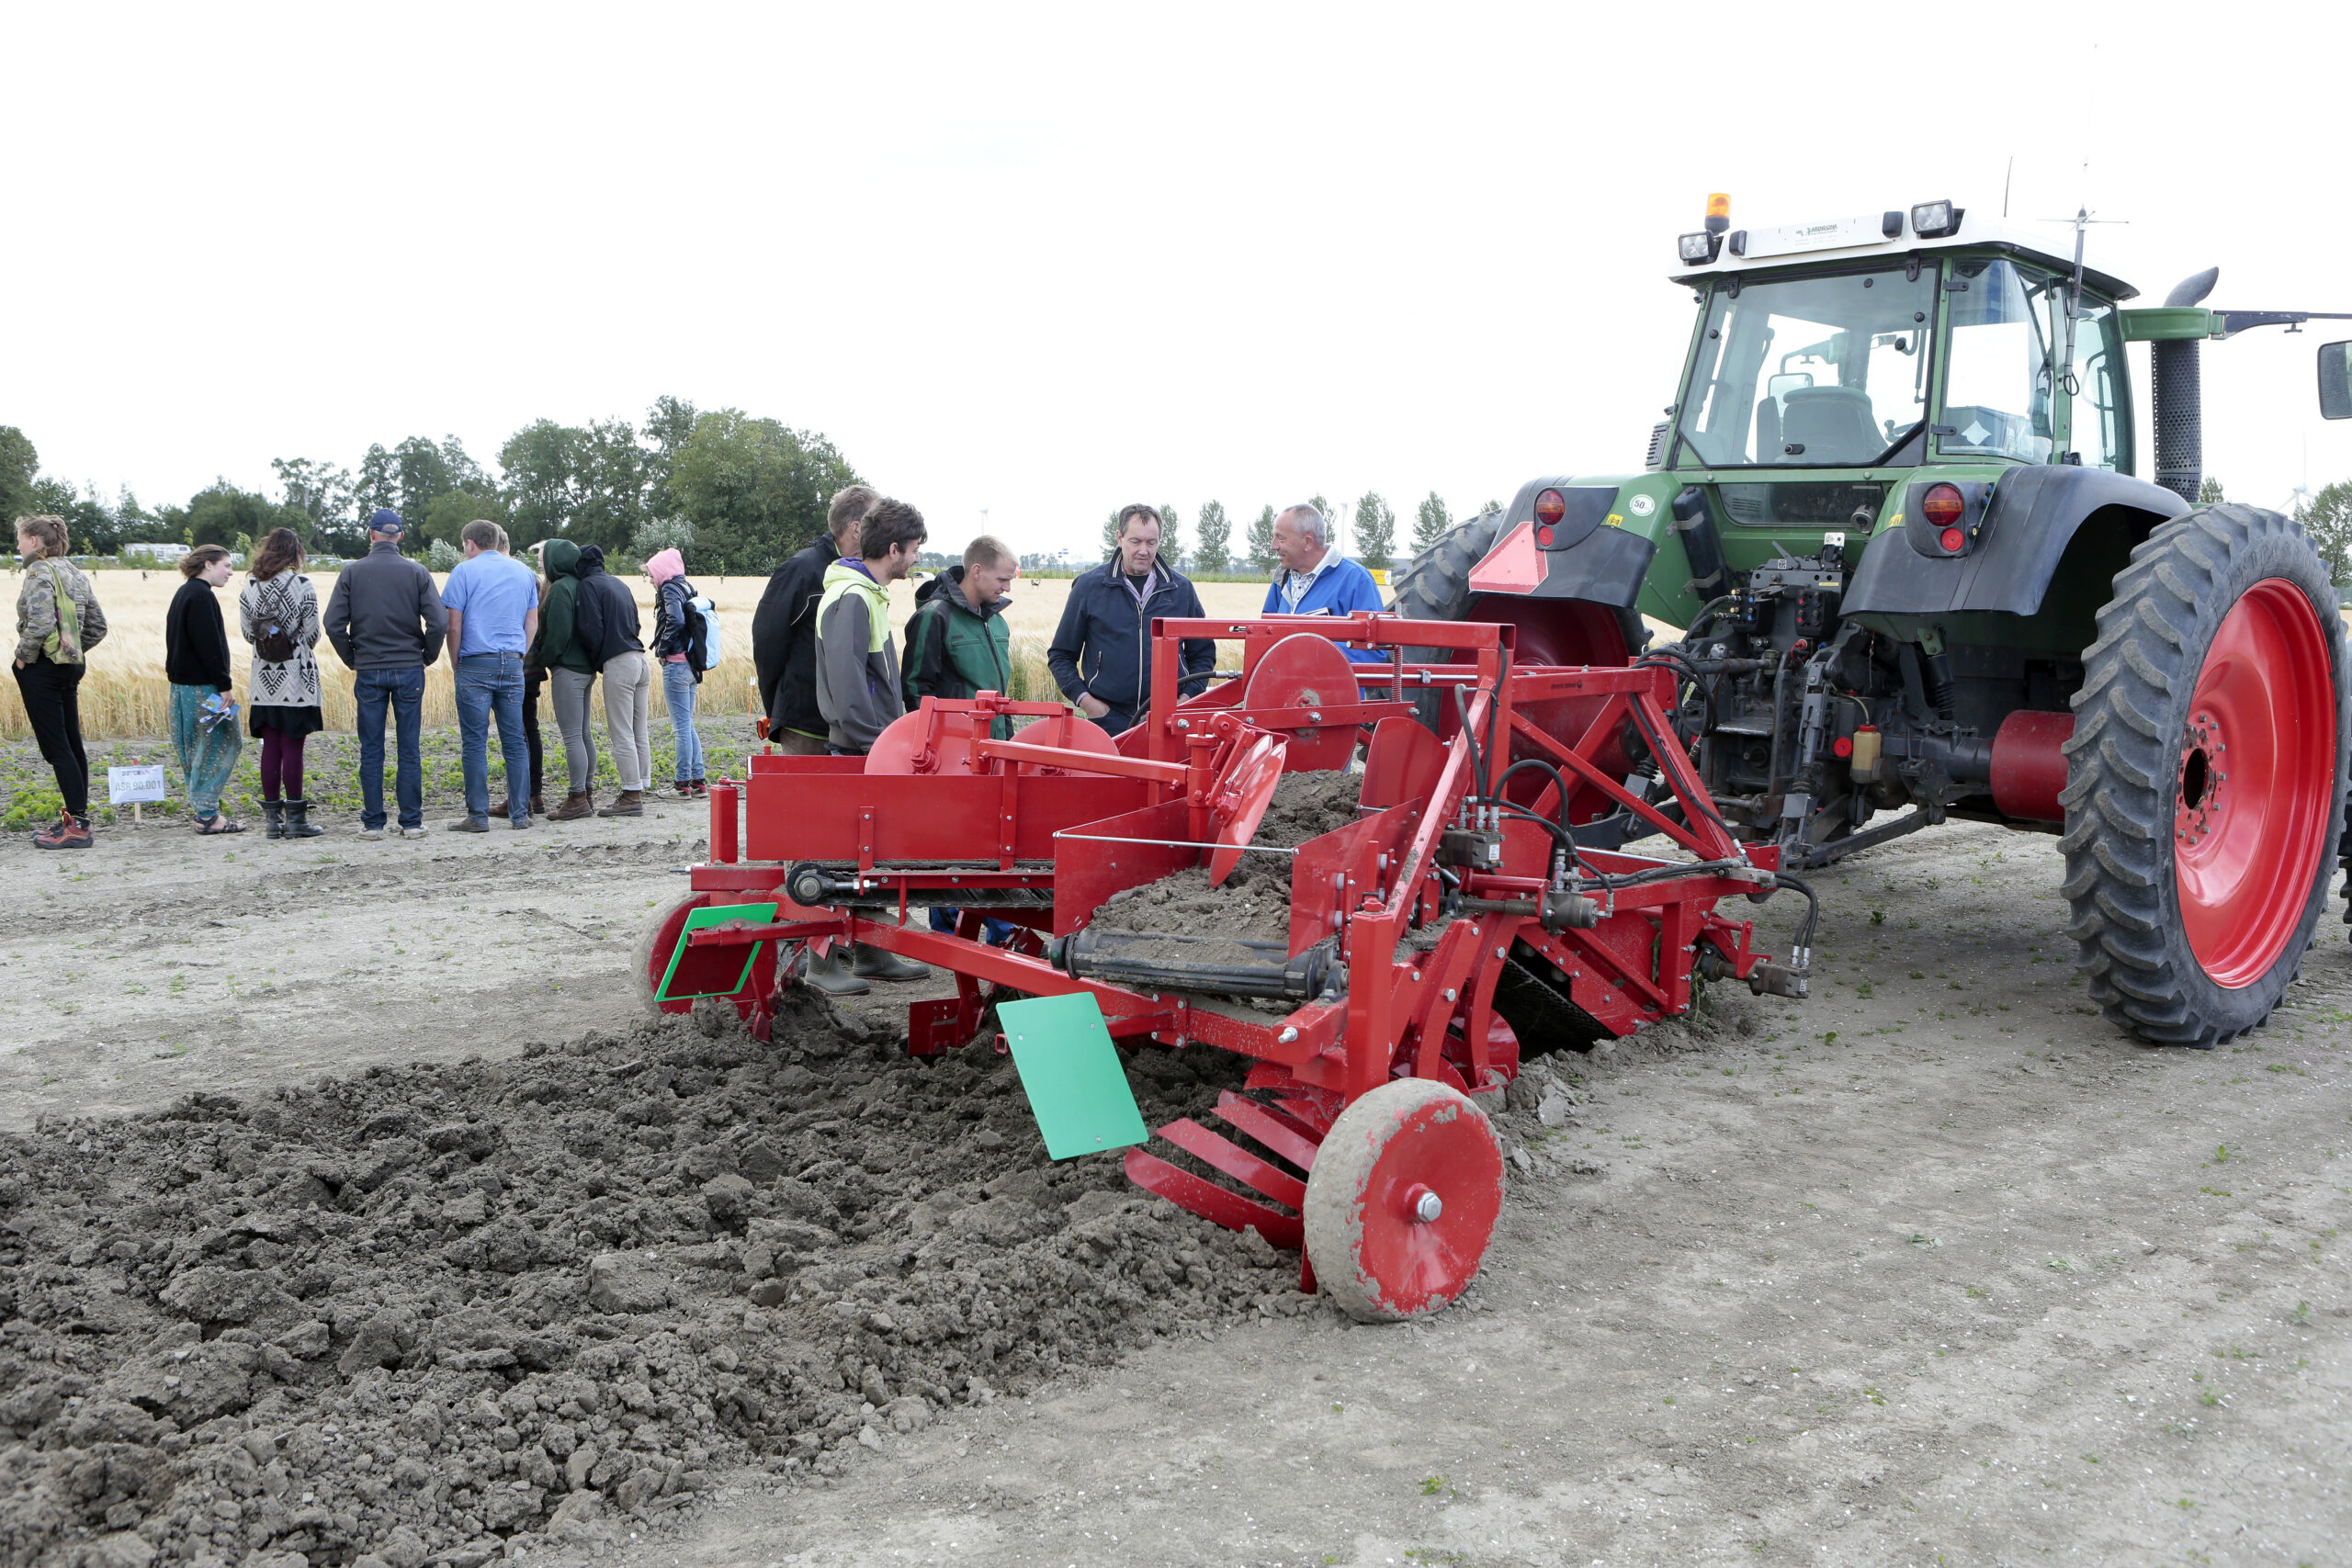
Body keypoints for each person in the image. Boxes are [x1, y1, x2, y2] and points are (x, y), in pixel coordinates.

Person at [808, 496, 931, 992]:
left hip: (873, 744)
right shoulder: (852, 599)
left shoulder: (867, 595)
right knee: (840, 857)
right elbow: (848, 685)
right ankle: (820, 965)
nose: (918, 558)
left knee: (872, 856)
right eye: (916, 548)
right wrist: (878, 743)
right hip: (861, 747)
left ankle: (873, 952)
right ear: (895, 548)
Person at [903, 535, 1023, 947]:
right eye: (1002, 579)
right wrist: (943, 747)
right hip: (955, 754)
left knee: (997, 842)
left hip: (998, 748)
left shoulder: (997, 621)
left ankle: (1000, 930)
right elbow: (917, 690)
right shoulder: (935, 617)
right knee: (952, 843)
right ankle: (947, 934)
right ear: (977, 571)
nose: (1007, 588)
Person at [324, 508, 446, 840]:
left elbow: (332, 624)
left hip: (369, 669)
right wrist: (427, 656)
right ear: (401, 537)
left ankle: (374, 823)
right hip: (409, 668)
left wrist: (353, 658)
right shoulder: (417, 572)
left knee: (371, 748)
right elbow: (438, 623)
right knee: (409, 747)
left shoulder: (351, 572)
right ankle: (412, 822)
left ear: (371, 534)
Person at [1046, 503, 1215, 735]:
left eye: (1151, 542)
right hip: (1107, 721)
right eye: (1135, 541)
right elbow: (1061, 656)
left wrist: (1184, 701)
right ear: (1119, 538)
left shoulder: (1181, 589)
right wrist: (1088, 703)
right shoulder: (1089, 587)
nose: (1144, 550)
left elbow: (1203, 655)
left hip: (1167, 720)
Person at [753, 484, 876, 753]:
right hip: (807, 727)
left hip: (853, 730)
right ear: (856, 528)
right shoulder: (802, 570)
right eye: (877, 523)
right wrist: (780, 709)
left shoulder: (868, 577)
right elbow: (768, 643)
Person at [11, 513, 107, 850]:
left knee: (56, 749)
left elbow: (37, 623)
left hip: (43, 668)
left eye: (21, 538)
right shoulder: (74, 571)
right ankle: (78, 819)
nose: (18, 545)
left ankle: (77, 827)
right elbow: (98, 626)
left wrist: (23, 658)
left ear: (35, 541)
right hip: (70, 667)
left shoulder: (39, 571)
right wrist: (72, 650)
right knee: (72, 743)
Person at [441, 519, 541, 832]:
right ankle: (520, 815)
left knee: (474, 742)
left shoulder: (463, 572)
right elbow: (532, 624)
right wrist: (519, 654)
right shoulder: (524, 572)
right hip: (512, 664)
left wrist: (456, 662)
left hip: (475, 663)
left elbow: (453, 625)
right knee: (514, 741)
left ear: (470, 544)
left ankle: (478, 817)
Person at [238, 526, 325, 840]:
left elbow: (249, 634)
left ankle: (272, 822)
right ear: (295, 553)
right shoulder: (303, 584)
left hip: (263, 677)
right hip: (296, 677)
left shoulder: (249, 586)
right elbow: (313, 633)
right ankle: (296, 821)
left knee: (270, 747)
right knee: (294, 748)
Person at [164, 545, 246, 835]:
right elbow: (209, 645)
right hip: (204, 689)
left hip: (181, 690)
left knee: (196, 751)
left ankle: (204, 811)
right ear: (208, 564)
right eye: (226, 565)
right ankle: (208, 815)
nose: (230, 571)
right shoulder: (201, 596)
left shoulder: (184, 592)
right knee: (223, 744)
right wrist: (224, 685)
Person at [571, 545, 652, 818]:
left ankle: (630, 795)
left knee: (621, 732)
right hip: (641, 659)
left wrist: (597, 663)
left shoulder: (587, 586)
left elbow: (590, 629)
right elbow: (637, 625)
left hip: (619, 662)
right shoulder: (619, 584)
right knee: (639, 730)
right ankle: (641, 785)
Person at [1263, 502, 1386, 662]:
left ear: (1307, 542)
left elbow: (1374, 651)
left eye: (1280, 538)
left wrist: (1306, 653)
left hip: (1329, 687)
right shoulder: (1282, 579)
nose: (1274, 546)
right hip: (1284, 686)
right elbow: (1264, 636)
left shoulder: (1356, 580)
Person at [533, 539, 600, 820]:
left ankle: (577, 798)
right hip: (585, 668)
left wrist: (543, 658)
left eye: (542, 558)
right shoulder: (579, 583)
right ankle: (586, 791)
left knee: (572, 736)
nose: (541, 563)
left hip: (569, 669)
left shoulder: (560, 589)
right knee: (584, 734)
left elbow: (558, 635)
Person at [644, 546, 706, 797]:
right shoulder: (686, 586)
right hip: (690, 665)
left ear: (662, 571)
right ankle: (699, 781)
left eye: (651, 573)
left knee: (681, 727)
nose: (650, 579)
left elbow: (676, 620)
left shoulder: (669, 588)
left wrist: (662, 649)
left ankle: (681, 785)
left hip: (676, 664)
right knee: (688, 725)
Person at [521, 536, 550, 817]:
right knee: (530, 728)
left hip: (515, 665)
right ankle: (535, 795)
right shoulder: (536, 581)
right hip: (532, 667)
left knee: (518, 733)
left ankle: (523, 798)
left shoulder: (517, 577)